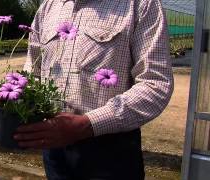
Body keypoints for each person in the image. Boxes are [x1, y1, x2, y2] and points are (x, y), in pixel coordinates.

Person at [15, 0, 174, 179]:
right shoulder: (49, 7)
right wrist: (16, 99)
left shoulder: (141, 5)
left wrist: (88, 124)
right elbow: (33, 71)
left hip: (110, 152)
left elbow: (155, 83)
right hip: (54, 148)